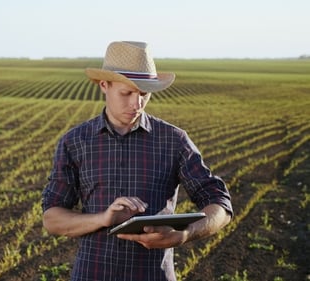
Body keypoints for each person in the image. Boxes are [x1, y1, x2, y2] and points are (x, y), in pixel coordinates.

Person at [41, 41, 233, 281]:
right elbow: (52, 219)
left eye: (144, 94)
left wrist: (183, 235)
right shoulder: (75, 142)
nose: (137, 104)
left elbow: (220, 205)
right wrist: (104, 219)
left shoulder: (174, 140)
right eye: (127, 93)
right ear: (104, 85)